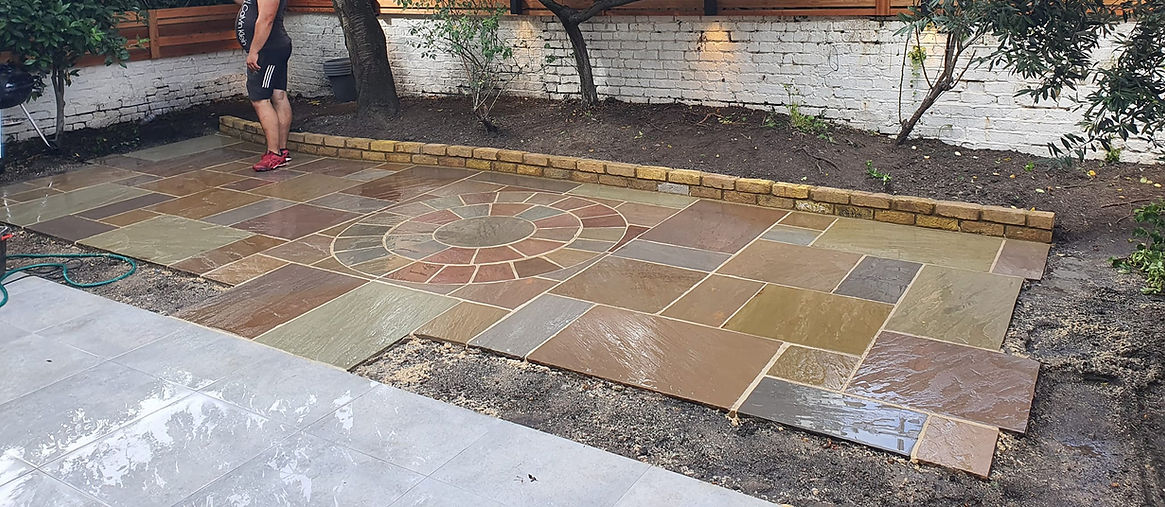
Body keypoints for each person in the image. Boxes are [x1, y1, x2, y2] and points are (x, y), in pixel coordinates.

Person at [234, 0, 293, 172]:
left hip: (267, 51)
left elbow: (267, 18)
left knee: (260, 99)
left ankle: (274, 154)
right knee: (278, 95)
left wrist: (254, 51)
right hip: (272, 48)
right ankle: (281, 151)